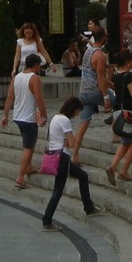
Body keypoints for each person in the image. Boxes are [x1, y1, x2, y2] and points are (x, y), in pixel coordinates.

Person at [40, 97, 104, 232]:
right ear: (73, 109)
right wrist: (67, 142)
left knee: (82, 176)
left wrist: (66, 142)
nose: (77, 114)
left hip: (55, 154)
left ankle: (89, 207)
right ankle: (47, 220)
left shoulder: (55, 118)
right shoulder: (65, 121)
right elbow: (73, 143)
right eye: (78, 111)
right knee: (58, 191)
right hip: (62, 157)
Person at [2, 53, 47, 188]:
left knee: (30, 141)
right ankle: (20, 177)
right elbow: (39, 98)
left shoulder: (16, 77)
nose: (40, 68)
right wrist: (44, 115)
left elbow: (10, 97)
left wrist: (5, 115)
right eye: (39, 65)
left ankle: (28, 167)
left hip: (18, 116)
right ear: (36, 65)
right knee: (28, 146)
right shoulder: (35, 78)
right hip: (28, 118)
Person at [107, 48, 132, 184]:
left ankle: (113, 167)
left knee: (125, 142)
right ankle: (123, 170)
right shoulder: (129, 76)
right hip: (129, 113)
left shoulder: (117, 75)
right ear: (128, 62)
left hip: (118, 112)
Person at [71, 25, 111, 156]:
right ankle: (118, 135)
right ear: (104, 37)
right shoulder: (101, 55)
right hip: (94, 90)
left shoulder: (88, 51)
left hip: (84, 91)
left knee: (83, 122)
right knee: (119, 103)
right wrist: (106, 97)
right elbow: (100, 77)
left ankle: (75, 153)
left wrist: (113, 85)